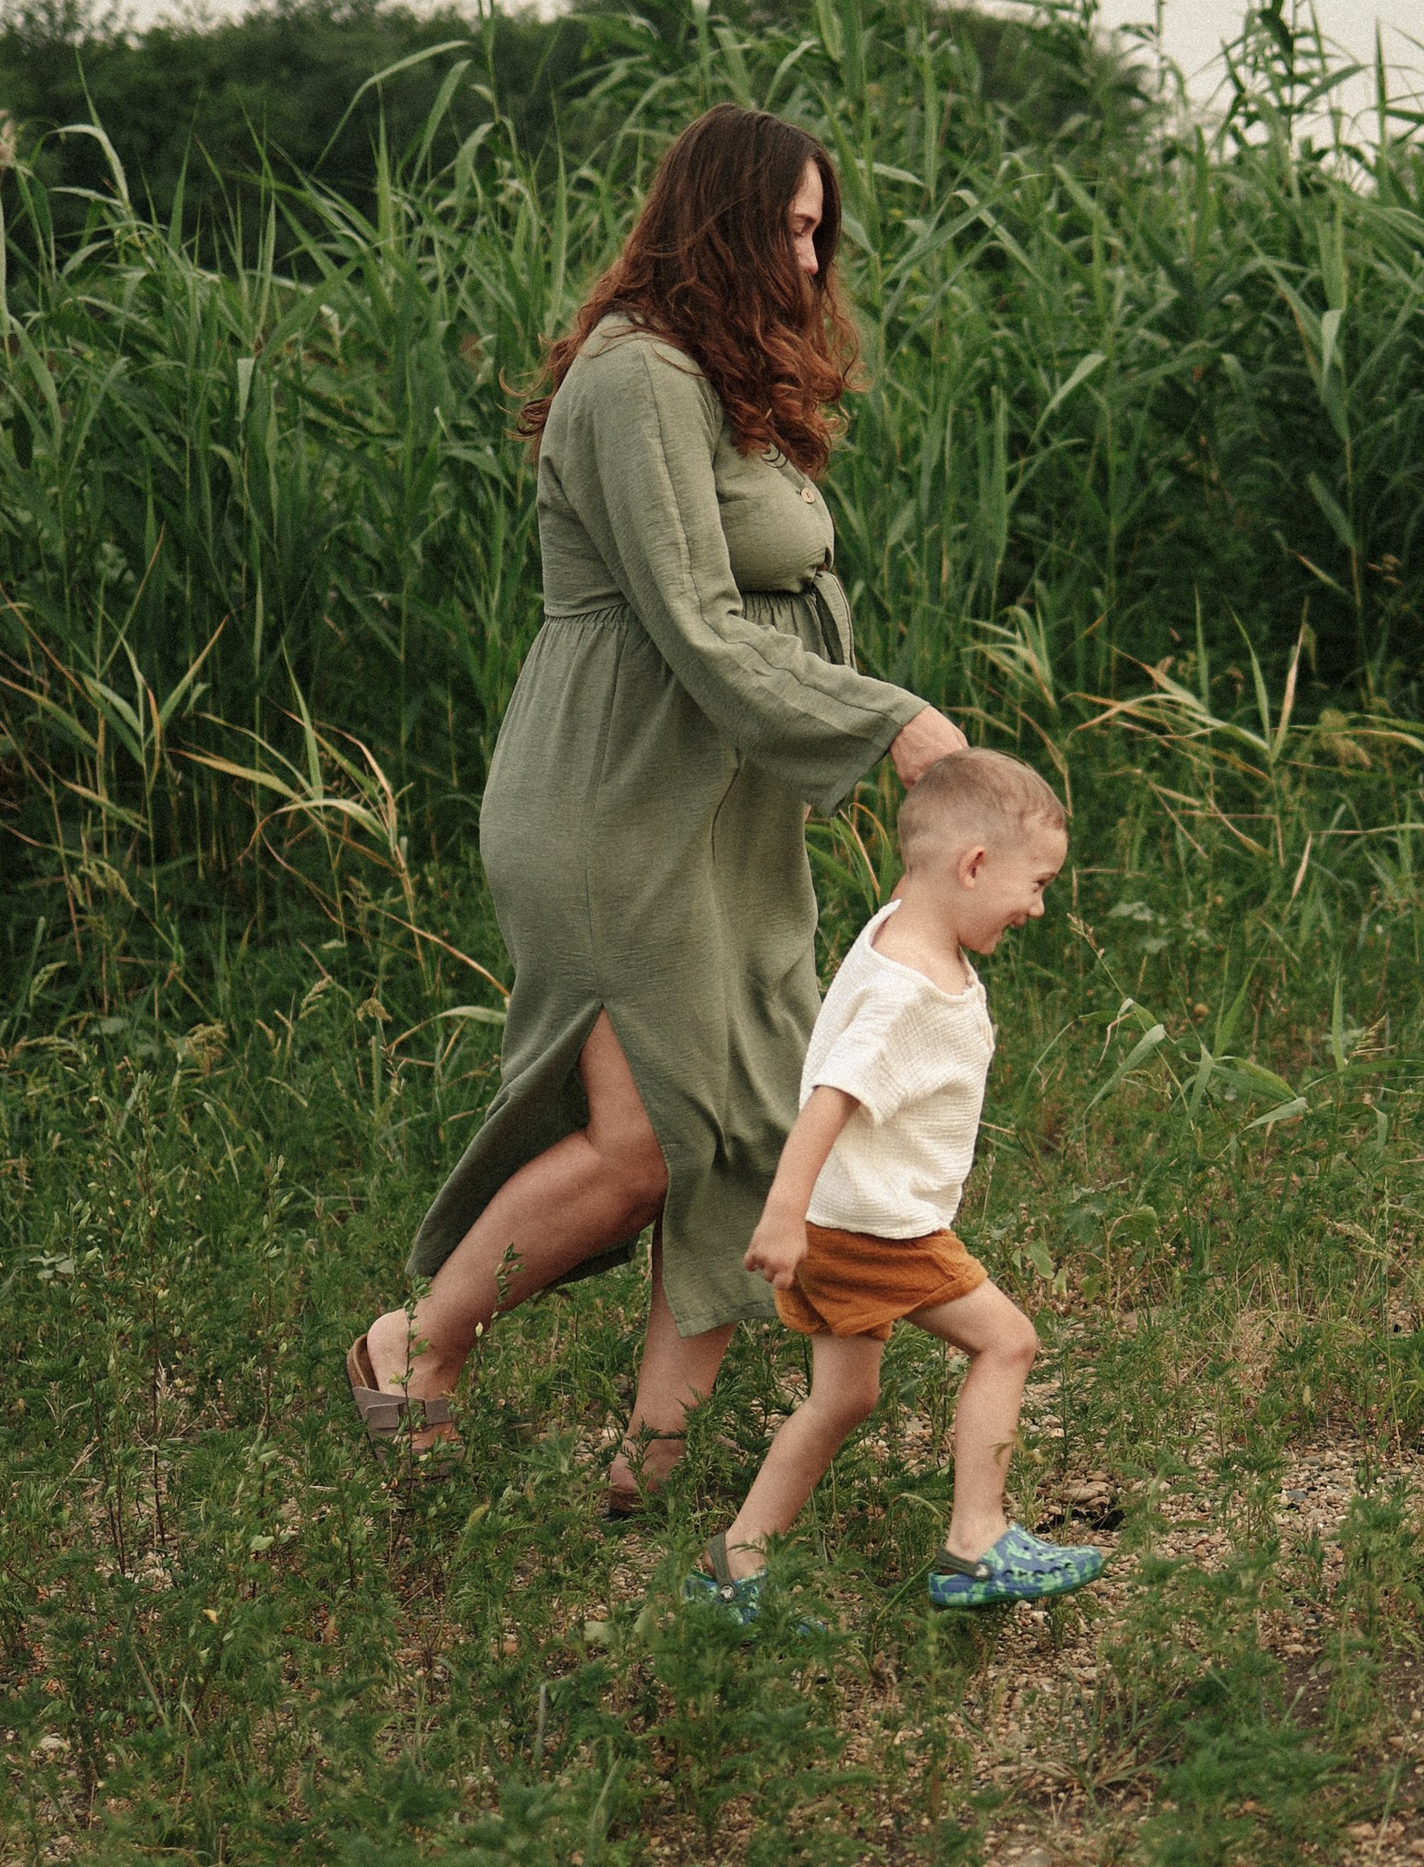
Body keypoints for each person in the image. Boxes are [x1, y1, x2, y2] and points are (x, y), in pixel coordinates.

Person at [345, 106, 967, 1495]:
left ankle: (651, 1460)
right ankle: (414, 1344)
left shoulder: (712, 379)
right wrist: (886, 721)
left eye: (823, 235)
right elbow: (690, 622)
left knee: (745, 1124)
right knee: (639, 1147)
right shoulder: (634, 379)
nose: (811, 265)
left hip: (712, 822)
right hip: (611, 798)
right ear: (725, 223)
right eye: (791, 230)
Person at [699, 747, 1108, 1617]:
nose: (1037, 907)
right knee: (1009, 1343)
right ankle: (978, 1541)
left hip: (842, 1219)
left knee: (844, 1396)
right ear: (972, 866)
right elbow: (829, 1097)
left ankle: (735, 1565)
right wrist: (783, 1215)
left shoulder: (898, 925)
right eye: (1034, 884)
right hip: (875, 1230)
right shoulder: (907, 992)